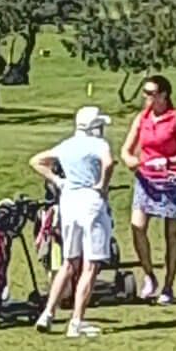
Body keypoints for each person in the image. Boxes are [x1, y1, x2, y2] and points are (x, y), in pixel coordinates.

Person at [31, 106, 117, 338]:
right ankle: (76, 321)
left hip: (69, 203)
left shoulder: (66, 145)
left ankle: (47, 313)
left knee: (69, 263)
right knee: (90, 266)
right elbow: (109, 163)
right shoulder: (99, 145)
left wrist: (59, 181)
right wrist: (103, 185)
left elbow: (37, 161)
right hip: (91, 202)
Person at [121, 74, 176, 305]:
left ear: (163, 95)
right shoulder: (141, 118)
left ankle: (168, 286)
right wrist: (129, 160)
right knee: (138, 227)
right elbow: (126, 149)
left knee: (170, 236)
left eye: (151, 93)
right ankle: (149, 275)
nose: (146, 97)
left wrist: (169, 161)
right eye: (145, 92)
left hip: (170, 182)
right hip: (146, 181)